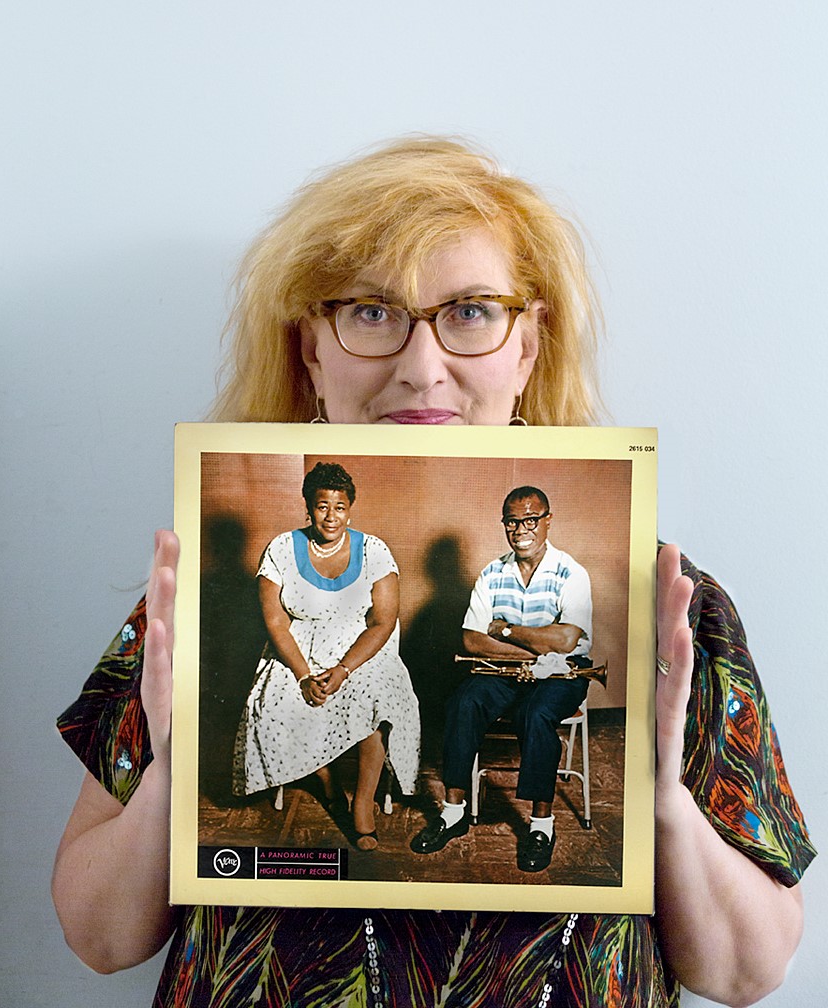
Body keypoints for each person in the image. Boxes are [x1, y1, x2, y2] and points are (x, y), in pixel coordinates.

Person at [52, 137, 814, 1007]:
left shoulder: (671, 603)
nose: (421, 367)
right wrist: (170, 776)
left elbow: (748, 973)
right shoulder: (178, 600)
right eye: (370, 313)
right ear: (311, 353)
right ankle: (446, 807)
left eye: (472, 311)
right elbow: (99, 938)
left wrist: (662, 801)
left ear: (528, 348)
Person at [233, 461, 420, 849]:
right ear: (308, 507)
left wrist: (344, 669)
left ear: (350, 508)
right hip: (298, 650)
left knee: (378, 696)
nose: (331, 515)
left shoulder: (374, 551)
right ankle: (328, 781)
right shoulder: (282, 549)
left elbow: (383, 622)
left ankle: (363, 803)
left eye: (339, 506)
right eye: (322, 506)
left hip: (361, 650)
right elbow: (276, 621)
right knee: (272, 704)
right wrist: (302, 674)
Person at [410, 485, 592, 872]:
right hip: (507, 670)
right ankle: (454, 812)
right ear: (505, 525)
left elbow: (566, 639)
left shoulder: (571, 572)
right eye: (513, 521)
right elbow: (472, 639)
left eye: (530, 520)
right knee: (464, 702)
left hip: (564, 673)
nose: (521, 529)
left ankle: (541, 826)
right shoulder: (493, 573)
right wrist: (535, 653)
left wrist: (506, 631)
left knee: (537, 713)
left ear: (547, 521)